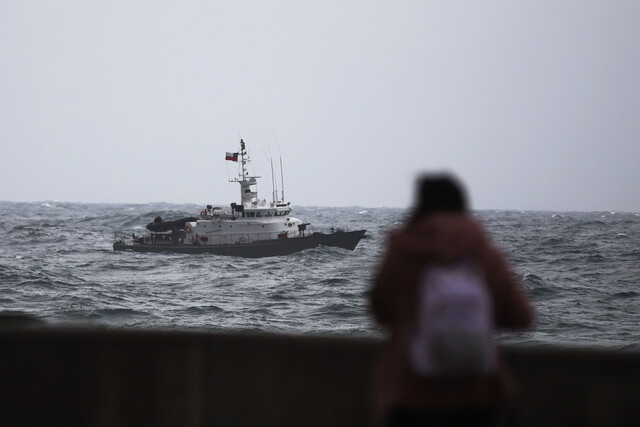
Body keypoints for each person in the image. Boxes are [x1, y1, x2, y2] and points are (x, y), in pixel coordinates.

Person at [371, 174, 533, 427]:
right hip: (477, 398)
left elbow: (379, 313)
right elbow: (522, 318)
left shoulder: (402, 255)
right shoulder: (486, 257)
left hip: (411, 396)